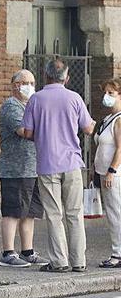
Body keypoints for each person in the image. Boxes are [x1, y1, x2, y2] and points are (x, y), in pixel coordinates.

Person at [23, 58, 95, 273]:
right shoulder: (74, 98)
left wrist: (43, 133)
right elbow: (88, 129)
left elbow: (27, 132)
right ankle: (79, 261)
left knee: (54, 215)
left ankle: (59, 262)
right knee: (74, 213)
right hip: (72, 163)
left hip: (47, 164)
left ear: (46, 76)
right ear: (67, 77)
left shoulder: (36, 99)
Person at [0, 70, 49, 268]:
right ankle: (7, 252)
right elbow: (25, 132)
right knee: (12, 211)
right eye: (24, 82)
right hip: (15, 169)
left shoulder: (30, 106)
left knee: (29, 212)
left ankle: (27, 251)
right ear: (15, 85)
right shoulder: (12, 106)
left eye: (32, 82)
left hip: (33, 168)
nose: (29, 85)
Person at [94, 78, 121, 269]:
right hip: (104, 173)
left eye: (111, 93)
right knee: (112, 212)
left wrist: (111, 170)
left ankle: (117, 253)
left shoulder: (119, 120)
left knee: (115, 213)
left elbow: (120, 148)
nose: (107, 97)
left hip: (114, 175)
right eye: (106, 93)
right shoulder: (107, 119)